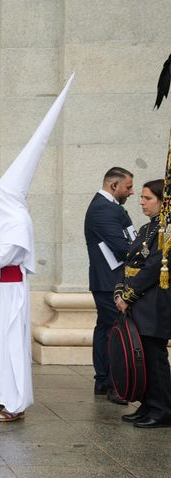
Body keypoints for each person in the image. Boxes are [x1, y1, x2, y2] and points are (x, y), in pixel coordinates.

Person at [0, 76, 73, 422]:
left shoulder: (17, 220)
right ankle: (2, 397)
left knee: (10, 347)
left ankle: (14, 402)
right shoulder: (4, 215)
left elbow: (4, 254)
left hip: (8, 289)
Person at [116, 180, 171, 427]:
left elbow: (151, 269)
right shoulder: (148, 228)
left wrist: (127, 297)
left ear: (163, 200)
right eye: (141, 197)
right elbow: (129, 262)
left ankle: (163, 410)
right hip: (139, 302)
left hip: (153, 304)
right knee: (143, 358)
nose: (141, 202)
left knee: (155, 358)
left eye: (147, 198)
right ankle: (148, 405)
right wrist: (120, 291)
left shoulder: (165, 231)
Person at [84, 166, 135, 405]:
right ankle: (115, 384)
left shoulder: (110, 207)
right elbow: (123, 246)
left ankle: (104, 380)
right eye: (128, 187)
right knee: (115, 331)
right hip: (108, 282)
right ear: (113, 186)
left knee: (106, 329)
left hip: (108, 280)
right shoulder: (103, 209)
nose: (131, 192)